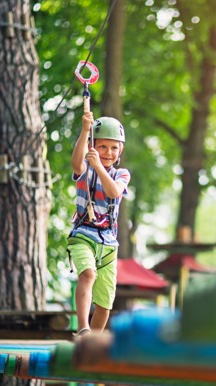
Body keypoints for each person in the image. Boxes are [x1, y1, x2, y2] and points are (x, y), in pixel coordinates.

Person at [66, 110, 130, 337]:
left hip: (109, 244)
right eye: (102, 147)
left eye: (114, 148)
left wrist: (99, 167)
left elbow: (113, 192)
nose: (108, 152)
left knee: (105, 305)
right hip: (83, 234)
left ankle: (90, 343)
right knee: (88, 275)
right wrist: (85, 131)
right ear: (93, 146)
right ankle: (82, 328)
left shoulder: (122, 174)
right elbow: (76, 164)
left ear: (120, 150)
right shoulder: (85, 170)